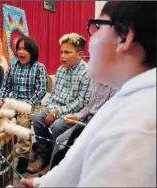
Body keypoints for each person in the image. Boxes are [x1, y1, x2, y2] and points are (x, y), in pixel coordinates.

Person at [21, 1, 156, 187]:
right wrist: (41, 183)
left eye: (97, 27)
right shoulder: (125, 98)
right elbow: (77, 158)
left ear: (125, 38)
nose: (90, 39)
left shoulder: (133, 130)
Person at [28, 33, 93, 173]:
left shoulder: (87, 74)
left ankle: (56, 160)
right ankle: (43, 155)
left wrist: (57, 113)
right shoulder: (60, 70)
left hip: (74, 113)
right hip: (56, 107)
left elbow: (81, 103)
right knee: (38, 117)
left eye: (67, 52)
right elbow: (54, 96)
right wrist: (51, 109)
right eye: (61, 52)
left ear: (80, 54)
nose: (62, 56)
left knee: (58, 126)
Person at [0, 36, 48, 173]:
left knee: (23, 123)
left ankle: (23, 157)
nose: (21, 52)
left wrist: (27, 106)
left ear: (32, 51)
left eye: (25, 49)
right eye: (19, 49)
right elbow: (5, 87)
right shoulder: (12, 68)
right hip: (13, 103)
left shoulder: (39, 68)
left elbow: (41, 90)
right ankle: (0, 152)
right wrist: (0, 100)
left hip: (32, 104)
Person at [50, 82, 118, 169]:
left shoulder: (115, 87)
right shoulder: (98, 82)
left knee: (66, 146)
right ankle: (51, 173)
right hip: (87, 121)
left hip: (98, 126)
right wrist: (76, 116)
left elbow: (109, 114)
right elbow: (89, 107)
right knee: (59, 140)